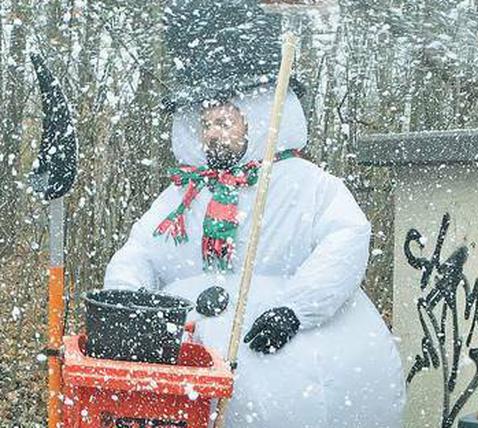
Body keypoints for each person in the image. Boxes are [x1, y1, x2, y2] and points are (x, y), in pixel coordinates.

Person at [104, 86, 405, 427]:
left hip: (288, 358)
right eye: (205, 125)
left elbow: (346, 236)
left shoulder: (305, 185)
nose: (213, 134)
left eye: (223, 122)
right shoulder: (184, 193)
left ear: (255, 122)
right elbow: (141, 250)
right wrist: (128, 302)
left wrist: (296, 309)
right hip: (190, 369)